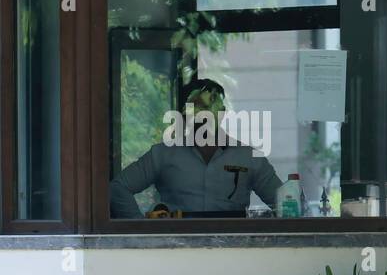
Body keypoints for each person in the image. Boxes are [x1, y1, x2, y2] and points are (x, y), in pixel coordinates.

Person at [110, 78, 282, 218]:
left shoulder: (249, 157)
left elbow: (286, 203)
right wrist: (141, 228)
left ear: (222, 113)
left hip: (234, 250)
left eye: (208, 108)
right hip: (174, 250)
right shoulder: (163, 154)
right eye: (195, 108)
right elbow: (118, 187)